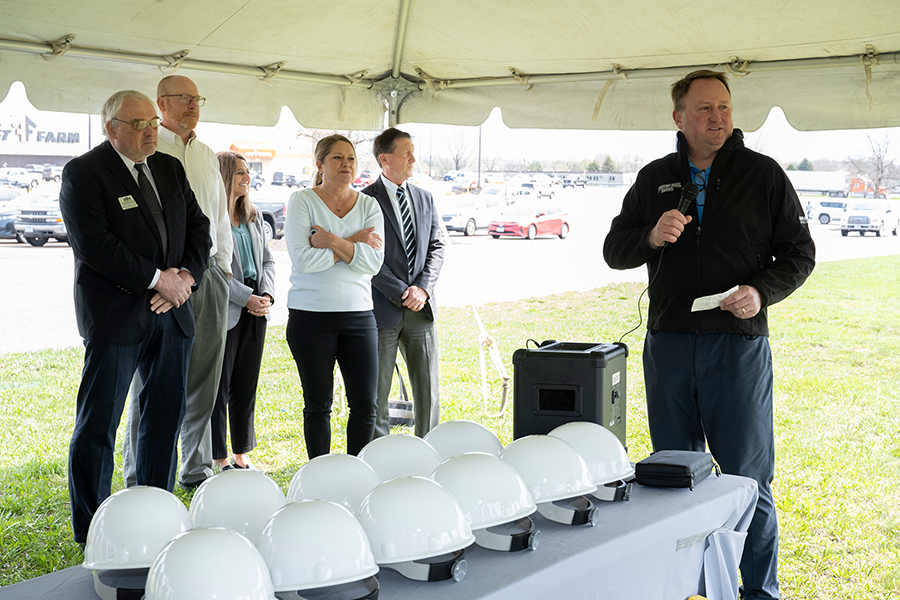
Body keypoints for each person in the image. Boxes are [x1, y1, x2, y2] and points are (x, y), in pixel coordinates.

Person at [603, 70, 816, 599]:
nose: (717, 116)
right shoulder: (654, 177)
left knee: (748, 479)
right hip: (670, 343)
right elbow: (614, 249)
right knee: (675, 476)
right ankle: (687, 586)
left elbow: (799, 253)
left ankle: (758, 591)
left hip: (737, 344)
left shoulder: (763, 175)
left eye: (723, 106)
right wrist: (650, 236)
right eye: (704, 109)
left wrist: (762, 292)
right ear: (679, 118)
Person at [59, 90, 210, 544]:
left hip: (173, 311)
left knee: (164, 420)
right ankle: (93, 529)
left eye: (153, 123)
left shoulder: (169, 167)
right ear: (112, 129)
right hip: (117, 316)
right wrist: (155, 279)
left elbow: (199, 228)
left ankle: (156, 516)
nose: (151, 131)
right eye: (139, 124)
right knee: (99, 425)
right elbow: (94, 245)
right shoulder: (84, 172)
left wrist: (184, 276)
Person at [122, 75, 233, 490]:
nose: (193, 105)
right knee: (153, 383)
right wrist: (166, 279)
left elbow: (217, 216)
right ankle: (144, 475)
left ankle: (195, 468)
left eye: (197, 98)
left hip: (208, 278)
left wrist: (223, 266)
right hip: (163, 287)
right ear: (161, 103)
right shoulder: (147, 150)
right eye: (184, 98)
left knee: (205, 380)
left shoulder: (205, 153)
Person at [284, 134, 385, 458]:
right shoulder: (302, 201)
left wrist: (331, 240)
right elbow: (303, 260)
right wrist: (355, 241)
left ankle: (357, 471)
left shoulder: (369, 205)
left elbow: (373, 263)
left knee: (365, 405)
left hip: (359, 316)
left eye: (351, 159)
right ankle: (320, 473)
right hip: (310, 317)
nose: (346, 164)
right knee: (317, 406)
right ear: (320, 164)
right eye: (338, 158)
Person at [362, 128, 445, 438]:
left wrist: (422, 288)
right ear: (385, 159)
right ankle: (379, 456)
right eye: (406, 152)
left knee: (428, 390)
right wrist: (401, 291)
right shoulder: (364, 201)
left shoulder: (425, 198)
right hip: (382, 308)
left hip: (421, 309)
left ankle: (428, 449)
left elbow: (437, 246)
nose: (413, 158)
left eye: (413, 151)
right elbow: (364, 254)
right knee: (377, 392)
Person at [211, 151, 275, 471]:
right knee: (220, 386)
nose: (246, 178)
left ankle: (241, 451)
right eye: (239, 173)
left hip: (256, 307)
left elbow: (268, 261)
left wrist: (266, 295)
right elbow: (215, 270)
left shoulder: (255, 216)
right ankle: (220, 456)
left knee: (246, 384)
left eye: (248, 172)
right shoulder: (213, 217)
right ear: (225, 176)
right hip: (228, 307)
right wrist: (246, 297)